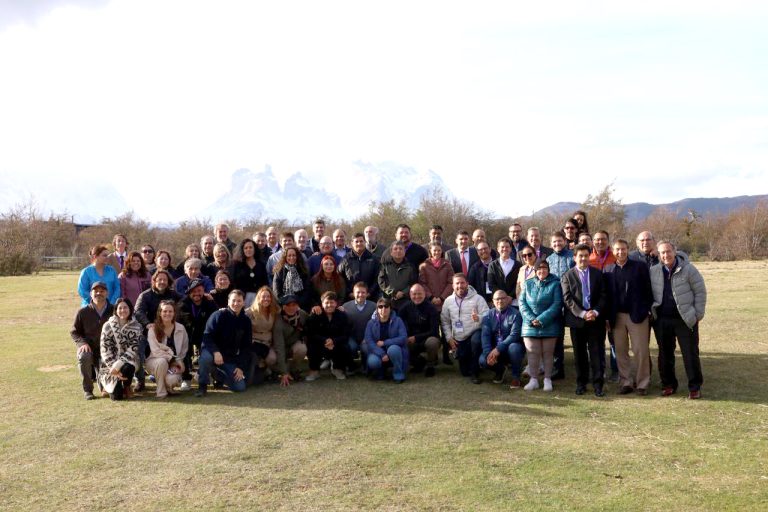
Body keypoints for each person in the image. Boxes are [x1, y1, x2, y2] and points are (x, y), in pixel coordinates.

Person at [650, 241, 706, 399]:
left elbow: (700, 292)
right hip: (662, 320)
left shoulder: (688, 269)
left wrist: (697, 315)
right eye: (662, 253)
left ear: (675, 252)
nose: (665, 255)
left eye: (668, 251)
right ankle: (668, 385)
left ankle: (695, 387)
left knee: (690, 354)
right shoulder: (653, 271)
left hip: (685, 319)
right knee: (665, 354)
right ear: (659, 255)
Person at [604, 239, 653, 396]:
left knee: (640, 350)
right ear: (613, 251)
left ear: (628, 249)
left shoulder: (639, 267)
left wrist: (646, 309)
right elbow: (607, 296)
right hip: (616, 316)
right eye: (617, 250)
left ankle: (642, 383)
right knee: (620, 351)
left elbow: (648, 289)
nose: (620, 252)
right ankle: (625, 382)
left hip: (637, 315)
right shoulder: (608, 269)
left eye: (623, 249)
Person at [561, 244, 608, 397]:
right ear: (574, 258)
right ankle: (581, 383)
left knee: (596, 353)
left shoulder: (597, 274)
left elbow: (603, 295)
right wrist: (582, 314)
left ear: (589, 256)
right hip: (577, 321)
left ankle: (598, 384)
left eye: (586, 255)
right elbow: (567, 299)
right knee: (579, 354)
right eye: (580, 256)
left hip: (595, 320)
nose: (583, 258)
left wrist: (595, 311)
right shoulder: (567, 276)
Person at [134, 269, 182, 391]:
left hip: (167, 331)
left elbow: (185, 301)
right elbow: (138, 311)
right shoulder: (145, 295)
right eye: (159, 279)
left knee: (171, 352)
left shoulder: (173, 294)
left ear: (168, 282)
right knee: (139, 350)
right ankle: (140, 380)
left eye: (164, 280)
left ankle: (176, 375)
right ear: (154, 281)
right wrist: (147, 324)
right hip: (149, 331)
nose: (162, 282)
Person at [196, 289, 252, 396]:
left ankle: (216, 374)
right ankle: (202, 386)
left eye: (239, 301)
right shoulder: (218, 315)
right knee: (206, 358)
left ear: (244, 302)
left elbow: (246, 346)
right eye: (233, 300)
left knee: (240, 387)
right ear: (228, 301)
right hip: (212, 352)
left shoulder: (246, 321)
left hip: (229, 358)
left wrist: (240, 367)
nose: (236, 303)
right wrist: (216, 352)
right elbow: (207, 336)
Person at [519, 261, 563, 392]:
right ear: (535, 270)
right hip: (529, 324)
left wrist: (542, 319)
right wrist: (532, 319)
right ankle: (533, 380)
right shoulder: (528, 284)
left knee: (548, 353)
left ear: (548, 270)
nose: (541, 271)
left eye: (544, 268)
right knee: (532, 352)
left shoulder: (555, 284)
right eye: (539, 269)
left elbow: (557, 304)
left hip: (549, 324)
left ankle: (547, 379)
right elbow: (522, 303)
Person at [441, 273, 489, 384]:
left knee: (476, 341)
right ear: (452, 286)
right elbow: (445, 322)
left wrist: (478, 318)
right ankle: (471, 365)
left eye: (462, 283)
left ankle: (475, 372)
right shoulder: (448, 301)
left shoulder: (478, 299)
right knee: (464, 372)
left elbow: (487, 316)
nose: (460, 286)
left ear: (467, 284)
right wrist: (449, 338)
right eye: (457, 283)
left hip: (474, 333)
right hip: (459, 337)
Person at [71, 281, 115, 400]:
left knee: (109, 391)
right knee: (83, 357)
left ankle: (104, 385)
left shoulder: (114, 310)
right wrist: (82, 343)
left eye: (102, 291)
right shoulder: (83, 312)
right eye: (96, 291)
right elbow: (74, 332)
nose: (99, 293)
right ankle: (88, 390)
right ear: (91, 294)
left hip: (108, 350)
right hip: (89, 348)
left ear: (107, 293)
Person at [177, 278, 218, 391]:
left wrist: (212, 302)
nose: (196, 294)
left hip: (204, 334)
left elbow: (215, 317)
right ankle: (186, 379)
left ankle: (206, 374)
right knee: (184, 354)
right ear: (189, 292)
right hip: (187, 334)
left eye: (199, 291)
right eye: (193, 291)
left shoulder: (209, 302)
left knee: (209, 354)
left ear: (203, 291)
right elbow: (188, 322)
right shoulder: (183, 303)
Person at [479, 290, 525, 388]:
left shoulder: (516, 314)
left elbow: (515, 335)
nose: (500, 301)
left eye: (503, 298)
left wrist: (498, 349)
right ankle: (500, 370)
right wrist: (488, 354)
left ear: (508, 299)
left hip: (510, 348)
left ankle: (516, 377)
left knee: (515, 348)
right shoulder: (487, 316)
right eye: (497, 299)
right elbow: (485, 336)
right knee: (483, 360)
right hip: (494, 350)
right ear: (492, 301)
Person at [98, 297, 141, 400]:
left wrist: (118, 365)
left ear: (130, 309)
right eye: (120, 308)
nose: (123, 310)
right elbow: (105, 349)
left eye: (125, 307)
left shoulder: (137, 326)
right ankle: (105, 384)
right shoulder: (107, 326)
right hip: (109, 363)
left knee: (128, 367)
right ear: (116, 310)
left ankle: (127, 386)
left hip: (128, 360)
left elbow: (133, 349)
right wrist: (113, 367)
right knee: (116, 397)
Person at [546, 231, 574, 380]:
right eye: (554, 242)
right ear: (551, 244)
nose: (557, 244)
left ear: (565, 241)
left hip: (571, 301)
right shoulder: (549, 259)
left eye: (559, 241)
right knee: (557, 336)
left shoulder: (572, 257)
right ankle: (558, 368)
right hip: (555, 302)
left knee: (577, 336)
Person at [146, 300, 189, 398]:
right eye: (164, 311)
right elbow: (156, 351)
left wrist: (178, 362)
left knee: (172, 380)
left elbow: (184, 349)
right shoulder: (152, 329)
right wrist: (173, 359)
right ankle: (161, 391)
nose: (167, 314)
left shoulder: (181, 328)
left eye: (170, 311)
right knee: (162, 361)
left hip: (174, 363)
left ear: (174, 313)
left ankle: (166, 385)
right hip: (154, 361)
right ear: (160, 313)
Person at [305, 292, 351, 381]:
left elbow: (345, 334)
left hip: (336, 342)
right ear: (322, 304)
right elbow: (311, 333)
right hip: (319, 342)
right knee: (311, 346)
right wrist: (325, 340)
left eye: (332, 302)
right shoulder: (315, 315)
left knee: (344, 346)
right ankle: (314, 371)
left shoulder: (342, 315)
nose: (329, 305)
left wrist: (333, 341)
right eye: (326, 303)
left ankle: (337, 369)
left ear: (336, 303)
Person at [397, 284, 440, 377]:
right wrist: (406, 336)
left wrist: (416, 338)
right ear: (410, 294)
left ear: (424, 294)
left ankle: (430, 366)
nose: (417, 297)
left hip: (427, 338)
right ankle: (419, 363)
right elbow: (398, 324)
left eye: (419, 294)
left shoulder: (431, 309)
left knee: (432, 342)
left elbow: (434, 331)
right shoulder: (405, 307)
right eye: (414, 294)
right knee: (400, 342)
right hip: (410, 339)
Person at [365, 298, 409, 383]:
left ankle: (398, 374)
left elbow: (403, 337)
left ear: (390, 308)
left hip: (395, 350)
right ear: (377, 309)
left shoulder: (398, 320)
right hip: (378, 351)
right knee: (373, 361)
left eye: (386, 306)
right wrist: (381, 354)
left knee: (393, 349)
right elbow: (369, 340)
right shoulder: (371, 323)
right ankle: (380, 372)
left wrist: (385, 342)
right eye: (380, 307)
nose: (383, 309)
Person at [245, 286, 280, 384]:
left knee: (272, 359)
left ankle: (267, 369)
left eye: (268, 297)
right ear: (258, 298)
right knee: (256, 380)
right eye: (263, 296)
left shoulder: (274, 311)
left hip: (268, 342)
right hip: (254, 342)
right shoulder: (249, 312)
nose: (266, 299)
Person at [272, 295, 309, 385]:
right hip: (280, 346)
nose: (291, 308)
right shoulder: (278, 320)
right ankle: (279, 371)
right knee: (270, 358)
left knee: (302, 349)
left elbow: (312, 325)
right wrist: (284, 373)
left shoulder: (302, 314)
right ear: (283, 307)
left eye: (294, 305)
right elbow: (279, 346)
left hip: (293, 344)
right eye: (288, 305)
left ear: (297, 305)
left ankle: (294, 370)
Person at [342, 281, 378, 372]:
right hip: (352, 337)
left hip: (367, 337)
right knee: (350, 347)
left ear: (367, 293)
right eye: (358, 292)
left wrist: (368, 338)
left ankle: (365, 365)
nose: (360, 295)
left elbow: (376, 324)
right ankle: (351, 366)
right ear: (353, 293)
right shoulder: (345, 306)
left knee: (366, 348)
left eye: (363, 292)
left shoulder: (374, 306)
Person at [338, 233, 380, 300]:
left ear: (365, 242)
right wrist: (349, 293)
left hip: (370, 298)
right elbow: (339, 277)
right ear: (352, 243)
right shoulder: (345, 259)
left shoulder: (374, 259)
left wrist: (369, 292)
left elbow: (378, 278)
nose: (359, 243)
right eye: (356, 241)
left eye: (361, 241)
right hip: (350, 298)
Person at [378, 241, 418, 310]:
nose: (398, 251)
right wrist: (393, 293)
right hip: (388, 300)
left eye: (400, 249)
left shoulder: (410, 267)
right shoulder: (385, 265)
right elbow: (381, 281)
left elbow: (413, 283)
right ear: (391, 252)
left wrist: (403, 293)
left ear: (404, 251)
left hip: (406, 300)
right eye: (395, 249)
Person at [231, 238, 268, 307]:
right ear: (242, 250)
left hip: (259, 298)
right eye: (246, 248)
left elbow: (265, 283)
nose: (248, 250)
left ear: (254, 249)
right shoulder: (237, 265)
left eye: (251, 247)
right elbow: (234, 283)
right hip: (242, 299)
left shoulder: (261, 264)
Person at [418, 242, 454, 312]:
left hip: (445, 302)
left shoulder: (448, 265)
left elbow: (451, 283)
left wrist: (442, 298)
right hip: (429, 302)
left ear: (441, 251)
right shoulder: (423, 266)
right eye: (434, 250)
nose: (437, 252)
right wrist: (431, 298)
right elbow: (422, 284)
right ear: (430, 251)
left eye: (439, 250)